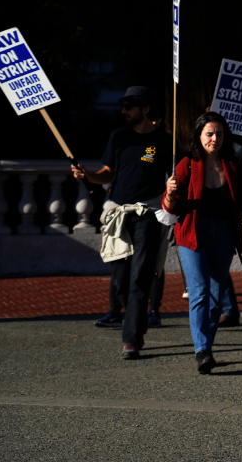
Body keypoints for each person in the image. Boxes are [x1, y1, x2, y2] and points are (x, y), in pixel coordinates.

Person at [163, 111, 242, 373]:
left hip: (223, 235)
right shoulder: (186, 165)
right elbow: (168, 208)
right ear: (199, 136)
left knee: (215, 294)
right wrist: (169, 191)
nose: (214, 139)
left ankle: (206, 345)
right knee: (199, 292)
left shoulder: (232, 165)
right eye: (209, 134)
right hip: (192, 235)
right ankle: (202, 349)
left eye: (219, 134)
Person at [71, 86, 170, 359]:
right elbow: (107, 173)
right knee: (121, 280)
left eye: (130, 106)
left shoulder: (163, 141)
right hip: (117, 215)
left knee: (140, 275)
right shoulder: (119, 137)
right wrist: (88, 176)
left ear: (145, 108)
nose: (124, 111)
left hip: (148, 215)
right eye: (123, 106)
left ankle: (132, 339)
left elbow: (174, 176)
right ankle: (133, 321)